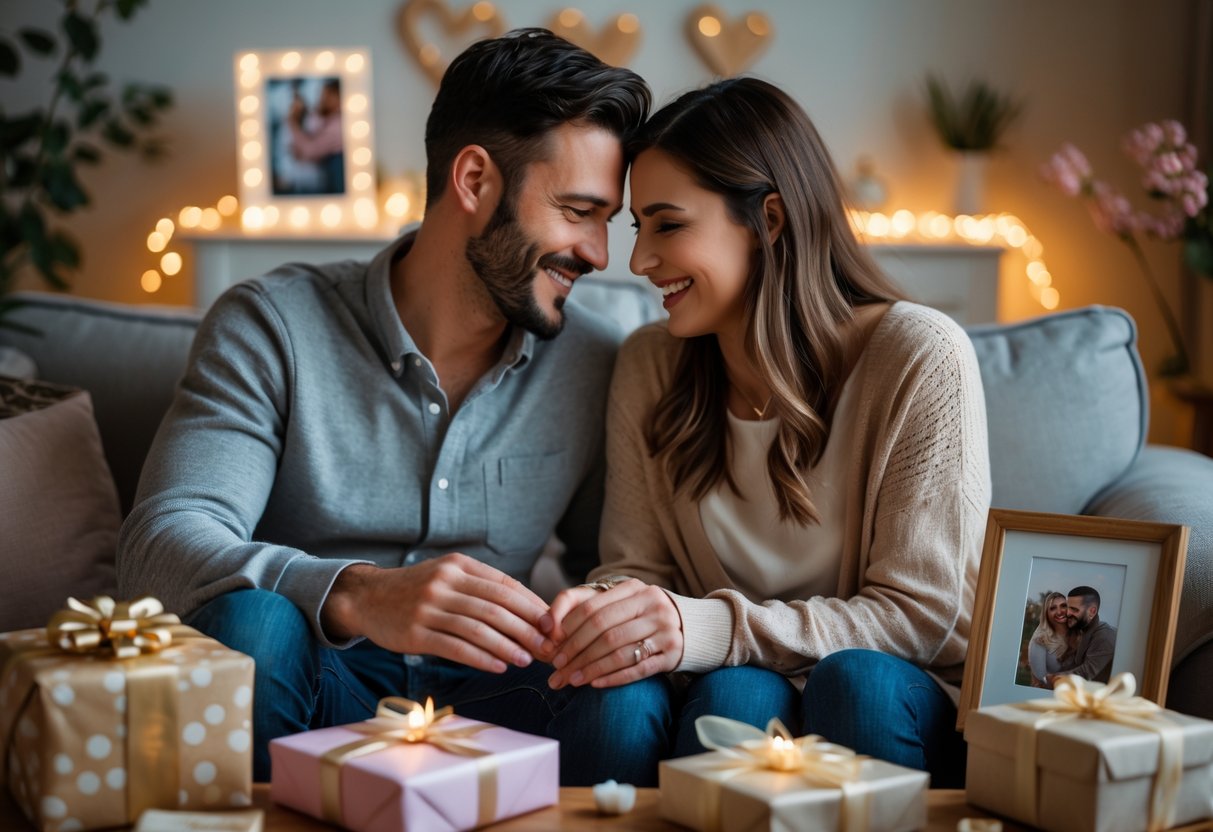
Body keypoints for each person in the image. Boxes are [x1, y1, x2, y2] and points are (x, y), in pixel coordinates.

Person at [117, 29, 651, 784]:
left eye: (607, 221)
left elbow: (618, 561)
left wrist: (604, 613)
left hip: (501, 701)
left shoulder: (597, 358)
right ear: (474, 180)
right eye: (577, 210)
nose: (598, 253)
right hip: (315, 687)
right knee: (252, 626)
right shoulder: (272, 324)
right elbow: (158, 545)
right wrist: (355, 595)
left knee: (624, 694)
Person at [540, 77, 992, 788]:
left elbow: (919, 616)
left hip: (889, 688)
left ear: (769, 220)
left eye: (668, 224)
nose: (638, 262)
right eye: (638, 228)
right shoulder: (651, 365)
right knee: (718, 696)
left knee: (854, 687)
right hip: (724, 681)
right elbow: (638, 568)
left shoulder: (918, 355)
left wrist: (702, 629)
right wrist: (603, 610)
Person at [1047, 585, 1117, 685]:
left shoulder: (1104, 636)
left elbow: (1087, 673)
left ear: (1092, 611)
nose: (1067, 613)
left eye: (1074, 609)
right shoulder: (1084, 630)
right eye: (1068, 608)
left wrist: (1053, 678)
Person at [286, 78, 344, 193]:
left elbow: (309, 151)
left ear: (337, 98)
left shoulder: (337, 125)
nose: (321, 99)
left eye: (326, 96)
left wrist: (292, 122)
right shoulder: (329, 121)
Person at [1027, 591, 1073, 687]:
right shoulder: (1039, 640)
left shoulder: (1077, 634)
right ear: (1046, 613)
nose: (1059, 612)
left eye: (1063, 606)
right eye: (1053, 608)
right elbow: (1040, 679)